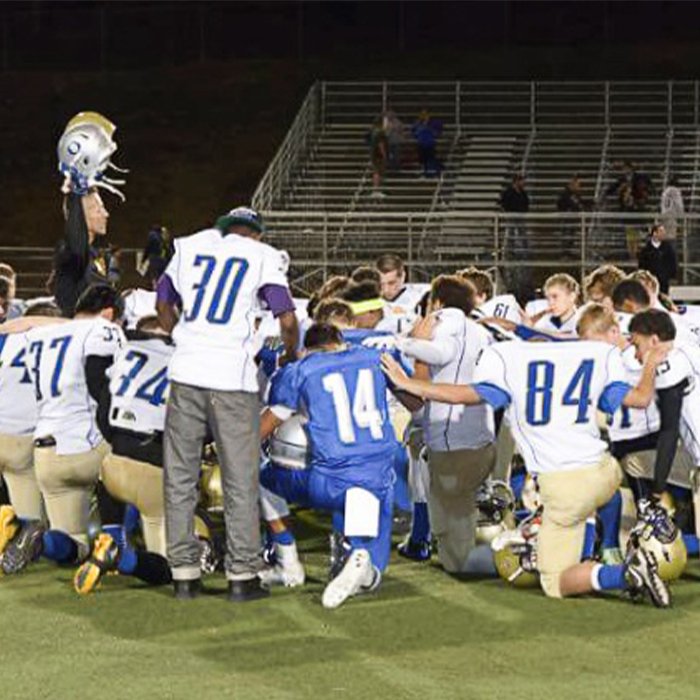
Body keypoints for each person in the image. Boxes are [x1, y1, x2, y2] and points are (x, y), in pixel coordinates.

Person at [381, 306, 673, 607]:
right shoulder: (589, 356)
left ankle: (625, 574)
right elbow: (641, 399)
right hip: (605, 471)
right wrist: (650, 361)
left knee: (555, 581)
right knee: (578, 510)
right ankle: (568, 540)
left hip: (565, 485)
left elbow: (462, 395)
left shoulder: (510, 363)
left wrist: (408, 383)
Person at [156, 205, 298, 602]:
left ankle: (183, 572)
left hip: (185, 372)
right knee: (239, 477)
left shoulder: (190, 246)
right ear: (255, 233)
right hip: (231, 378)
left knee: (180, 475)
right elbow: (286, 317)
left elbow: (163, 302)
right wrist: (291, 354)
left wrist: (181, 337)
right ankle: (241, 574)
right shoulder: (261, 255)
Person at [259, 323, 409, 608]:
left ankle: (288, 562)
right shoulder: (375, 356)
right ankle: (360, 561)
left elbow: (269, 423)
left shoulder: (299, 370)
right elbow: (415, 403)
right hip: (377, 479)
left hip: (326, 480)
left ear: (307, 349)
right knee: (373, 569)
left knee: (261, 477)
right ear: (340, 342)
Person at [1, 285, 125, 575]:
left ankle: (36, 538)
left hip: (47, 452)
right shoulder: (103, 331)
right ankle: (119, 544)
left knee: (75, 546)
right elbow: (103, 387)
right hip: (84, 445)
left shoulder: (39, 335)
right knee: (128, 459)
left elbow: (21, 324)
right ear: (109, 314)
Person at [397, 275, 496, 574]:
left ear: (437, 302)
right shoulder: (481, 331)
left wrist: (408, 342)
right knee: (461, 514)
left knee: (457, 558)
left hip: (452, 445)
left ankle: (513, 558)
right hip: (483, 437)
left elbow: (440, 355)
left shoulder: (443, 321)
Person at [73, 315, 174, 594]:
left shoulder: (125, 354)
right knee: (170, 569)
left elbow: (104, 416)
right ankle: (120, 557)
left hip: (114, 469)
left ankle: (112, 540)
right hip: (154, 469)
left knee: (109, 477)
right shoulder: (181, 358)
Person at [53, 190, 111, 317]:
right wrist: (76, 191)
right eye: (98, 210)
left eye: (103, 208)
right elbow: (77, 244)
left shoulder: (97, 255)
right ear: (80, 216)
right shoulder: (70, 252)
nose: (105, 214)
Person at [500, 174, 530, 296]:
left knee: (522, 234)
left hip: (520, 217)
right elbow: (504, 203)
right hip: (511, 217)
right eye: (521, 181)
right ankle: (509, 250)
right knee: (510, 233)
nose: (523, 183)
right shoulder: (509, 192)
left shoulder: (522, 192)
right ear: (516, 181)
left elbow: (527, 203)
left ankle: (524, 249)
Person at [638, 224, 678, 295]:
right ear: (655, 233)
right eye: (661, 231)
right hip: (650, 282)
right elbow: (642, 266)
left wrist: (670, 276)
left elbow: (672, 263)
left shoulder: (668, 248)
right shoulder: (646, 250)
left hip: (664, 282)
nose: (663, 233)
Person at [411, 110, 442, 177]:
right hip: (421, 144)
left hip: (429, 144)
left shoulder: (432, 125)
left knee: (430, 159)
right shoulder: (418, 125)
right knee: (422, 160)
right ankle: (424, 172)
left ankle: (431, 172)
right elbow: (414, 133)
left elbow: (436, 133)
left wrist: (429, 129)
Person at [660, 175, 684, 244]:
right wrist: (681, 215)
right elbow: (679, 204)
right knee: (671, 237)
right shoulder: (676, 191)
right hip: (671, 216)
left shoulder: (665, 192)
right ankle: (670, 253)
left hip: (663, 215)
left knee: (664, 237)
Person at [368, 118, 388, 199]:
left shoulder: (373, 132)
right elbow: (381, 144)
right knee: (378, 172)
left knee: (376, 172)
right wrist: (384, 154)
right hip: (378, 155)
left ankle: (376, 190)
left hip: (373, 154)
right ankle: (376, 190)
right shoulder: (380, 133)